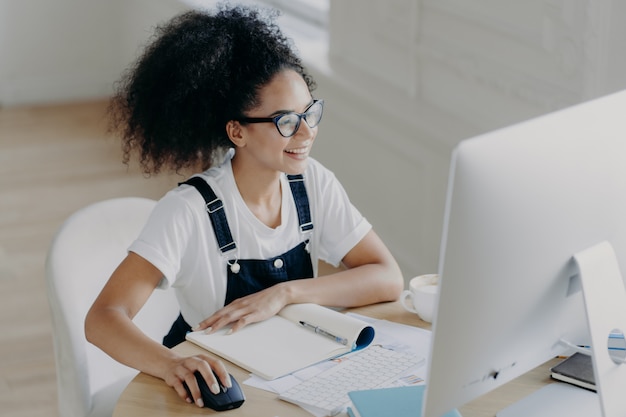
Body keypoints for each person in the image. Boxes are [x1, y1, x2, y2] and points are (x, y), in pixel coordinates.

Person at [85, 3, 403, 409]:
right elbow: (103, 318)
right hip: (213, 391)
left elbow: (387, 276)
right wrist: (172, 366)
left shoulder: (313, 182)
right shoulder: (188, 210)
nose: (306, 132)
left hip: (292, 376)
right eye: (286, 120)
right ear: (237, 131)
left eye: (310, 113)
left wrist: (285, 294)